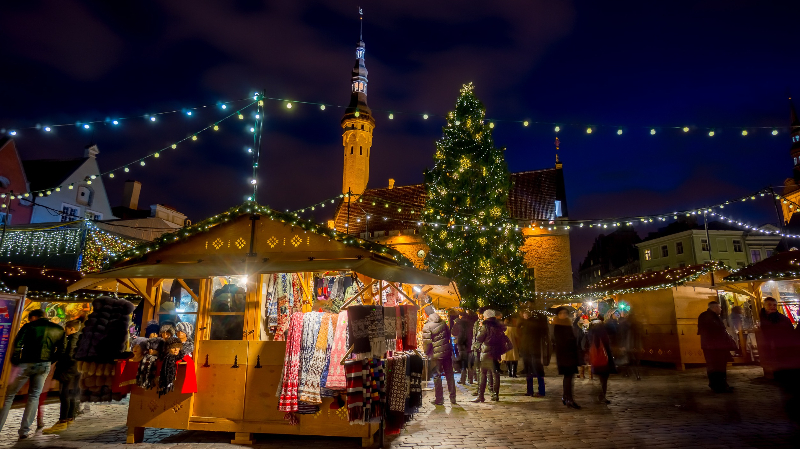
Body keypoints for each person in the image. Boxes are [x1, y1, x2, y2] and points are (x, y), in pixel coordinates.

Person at [0, 309, 65, 438]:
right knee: (34, 396)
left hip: (26, 363)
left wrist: (16, 359)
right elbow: (62, 350)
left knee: (9, 396)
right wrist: (50, 360)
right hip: (44, 364)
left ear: (34, 317)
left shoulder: (29, 326)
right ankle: (24, 430)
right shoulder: (58, 329)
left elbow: (18, 343)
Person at [759, 297, 800, 421]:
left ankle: (792, 411)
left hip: (786, 355)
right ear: (764, 305)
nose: (773, 307)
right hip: (782, 356)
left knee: (789, 386)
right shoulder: (763, 319)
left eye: (774, 305)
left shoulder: (782, 319)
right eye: (770, 304)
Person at [43, 320, 83, 434]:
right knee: (72, 394)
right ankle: (70, 418)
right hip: (77, 370)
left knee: (64, 394)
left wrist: (61, 362)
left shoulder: (73, 338)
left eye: (66, 328)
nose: (64, 330)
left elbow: (70, 355)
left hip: (68, 370)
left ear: (71, 328)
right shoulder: (81, 338)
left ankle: (62, 421)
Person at [697, 300, 735, 393]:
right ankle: (720, 386)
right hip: (715, 347)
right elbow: (717, 331)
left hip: (711, 346)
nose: (721, 309)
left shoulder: (705, 316)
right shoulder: (710, 317)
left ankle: (719, 385)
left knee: (715, 366)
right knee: (718, 366)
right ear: (715, 307)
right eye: (720, 307)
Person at [472, 310, 508, 402]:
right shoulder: (499, 326)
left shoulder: (485, 325)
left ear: (486, 316)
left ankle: (481, 396)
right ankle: (495, 395)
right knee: (495, 373)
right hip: (496, 352)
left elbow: (479, 338)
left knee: (483, 373)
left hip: (486, 352)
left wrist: (480, 328)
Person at [422, 312, 457, 405]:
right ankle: (453, 398)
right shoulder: (443, 324)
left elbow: (427, 342)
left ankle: (439, 399)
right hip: (447, 353)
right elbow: (449, 336)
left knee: (437, 376)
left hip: (435, 355)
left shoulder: (427, 326)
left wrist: (426, 352)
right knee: (450, 375)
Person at [553, 307, 580, 409]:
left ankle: (566, 397)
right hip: (564, 355)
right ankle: (569, 399)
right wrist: (572, 339)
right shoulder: (558, 325)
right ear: (558, 314)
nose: (564, 315)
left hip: (571, 354)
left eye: (565, 313)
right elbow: (560, 341)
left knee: (569, 377)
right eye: (561, 313)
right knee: (568, 377)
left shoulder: (568, 324)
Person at [519, 311, 550, 397]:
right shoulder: (539, 324)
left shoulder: (526, 324)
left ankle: (530, 391)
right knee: (538, 371)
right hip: (536, 350)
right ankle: (541, 390)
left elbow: (522, 337)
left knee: (530, 371)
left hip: (528, 350)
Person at [588, 315, 616, 404]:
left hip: (596, 360)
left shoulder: (590, 333)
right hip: (604, 359)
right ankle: (601, 395)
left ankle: (599, 395)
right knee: (603, 379)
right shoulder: (603, 332)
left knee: (600, 378)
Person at [453, 312, 474, 384]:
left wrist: (459, 342)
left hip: (462, 345)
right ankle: (470, 379)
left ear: (460, 316)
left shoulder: (459, 323)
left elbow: (454, 332)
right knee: (470, 362)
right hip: (470, 345)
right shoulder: (471, 323)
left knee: (463, 362)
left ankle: (463, 379)